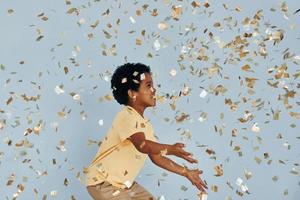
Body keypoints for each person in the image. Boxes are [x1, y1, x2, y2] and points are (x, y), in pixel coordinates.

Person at [84, 63, 207, 200]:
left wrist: (186, 172)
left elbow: (156, 156)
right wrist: (170, 149)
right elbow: (142, 145)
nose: (154, 90)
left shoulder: (145, 126)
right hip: (103, 183)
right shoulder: (127, 116)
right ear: (132, 94)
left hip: (125, 185)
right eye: (148, 85)